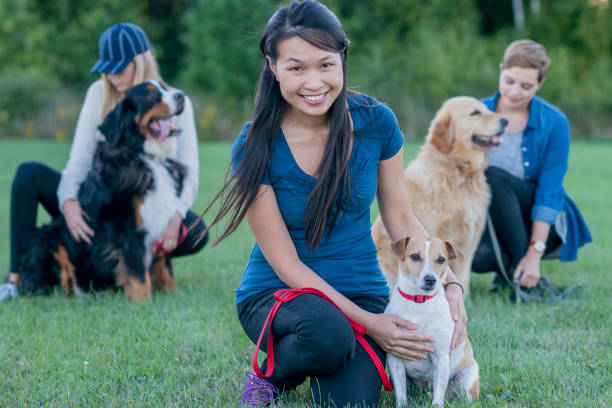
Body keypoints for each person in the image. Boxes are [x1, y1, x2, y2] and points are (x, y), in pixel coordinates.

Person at [201, 1, 467, 406]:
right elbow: (287, 265)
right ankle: (270, 373)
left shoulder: (376, 123)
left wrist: (451, 288)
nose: (314, 82)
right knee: (328, 331)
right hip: (279, 294)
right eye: (296, 67)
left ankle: (328, 356)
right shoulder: (254, 143)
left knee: (351, 401)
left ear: (342, 59)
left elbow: (400, 217)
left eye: (325, 64)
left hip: (362, 290)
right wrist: (371, 325)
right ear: (272, 68)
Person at [0, 22, 207, 301]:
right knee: (29, 174)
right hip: (96, 203)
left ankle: (133, 264)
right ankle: (15, 279)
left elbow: (190, 174)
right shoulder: (99, 94)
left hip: (147, 204)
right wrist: (69, 203)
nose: (112, 76)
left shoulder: (176, 102)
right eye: (106, 69)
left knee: (196, 232)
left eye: (119, 68)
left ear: (140, 61)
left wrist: (176, 217)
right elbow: (78, 163)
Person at [471, 39, 592, 299]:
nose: (514, 92)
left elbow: (550, 191)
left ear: (540, 84)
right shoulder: (473, 113)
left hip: (537, 222)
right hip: (486, 218)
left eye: (526, 86)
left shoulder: (554, 122)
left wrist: (534, 253)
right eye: (509, 81)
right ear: (501, 69)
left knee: (492, 177)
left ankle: (526, 274)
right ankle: (516, 275)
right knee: (477, 257)